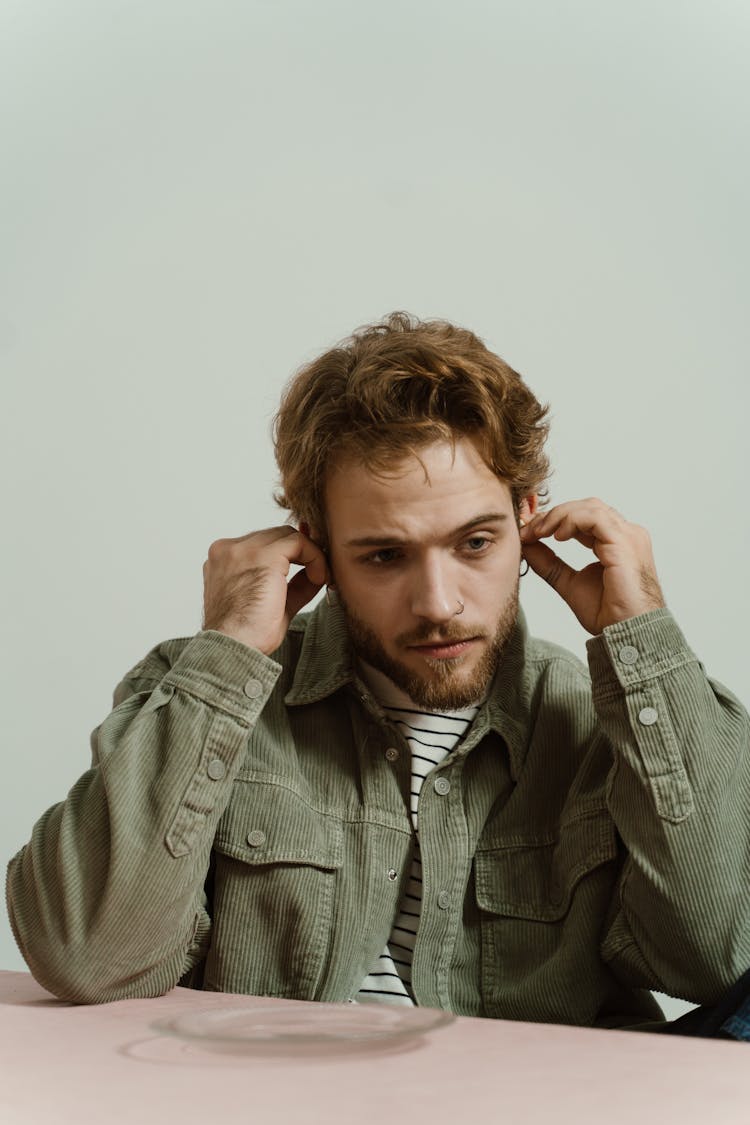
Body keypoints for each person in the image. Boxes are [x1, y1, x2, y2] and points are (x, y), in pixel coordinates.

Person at [6, 312, 750, 1032]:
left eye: (475, 542)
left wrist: (643, 638)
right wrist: (229, 647)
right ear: (317, 543)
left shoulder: (603, 721)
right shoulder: (203, 692)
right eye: (385, 555)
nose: (437, 603)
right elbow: (87, 956)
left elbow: (723, 960)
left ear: (527, 520)